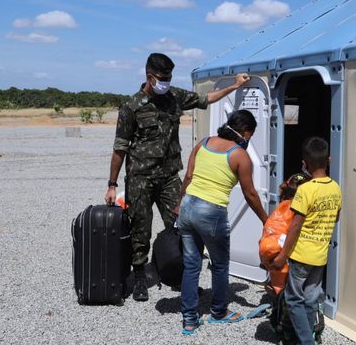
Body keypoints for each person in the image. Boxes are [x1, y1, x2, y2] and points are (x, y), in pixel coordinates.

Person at [104, 53, 251, 301]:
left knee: (183, 225)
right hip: (140, 177)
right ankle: (139, 276)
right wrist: (112, 184)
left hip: (170, 176)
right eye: (162, 78)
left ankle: (184, 277)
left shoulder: (175, 98)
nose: (167, 82)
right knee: (140, 229)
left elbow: (207, 99)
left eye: (170, 77)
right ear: (150, 77)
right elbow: (120, 148)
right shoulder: (131, 107)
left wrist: (235, 86)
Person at [177, 109, 268, 335]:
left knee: (191, 265)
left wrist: (179, 205)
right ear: (245, 132)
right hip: (211, 211)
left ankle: (189, 319)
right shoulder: (240, 156)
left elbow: (188, 177)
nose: (250, 140)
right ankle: (218, 312)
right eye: (250, 135)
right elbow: (250, 194)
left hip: (188, 206)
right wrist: (266, 220)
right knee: (219, 264)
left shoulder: (203, 143)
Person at [272, 137, 342, 345]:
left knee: (293, 300)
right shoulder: (335, 188)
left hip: (301, 255)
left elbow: (295, 227)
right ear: (329, 160)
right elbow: (337, 217)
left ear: (304, 163)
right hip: (321, 255)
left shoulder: (305, 190)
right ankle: (310, 338)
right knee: (311, 299)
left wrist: (282, 256)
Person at [259, 173, 310, 296]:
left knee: (283, 286)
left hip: (276, 254)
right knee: (298, 290)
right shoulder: (298, 208)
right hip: (294, 254)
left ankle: (280, 301)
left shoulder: (282, 207)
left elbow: (269, 235)